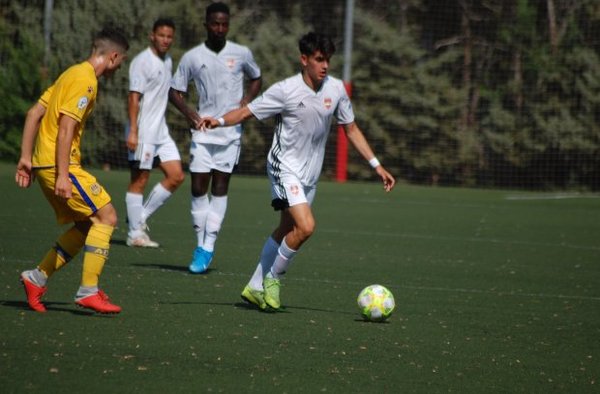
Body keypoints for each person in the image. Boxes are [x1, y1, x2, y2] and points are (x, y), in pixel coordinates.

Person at [199, 32, 396, 311]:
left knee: (287, 228)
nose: (324, 65)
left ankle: (254, 287)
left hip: (310, 175)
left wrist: (377, 166)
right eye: (318, 59)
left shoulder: (336, 90)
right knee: (306, 226)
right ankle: (274, 278)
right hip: (283, 167)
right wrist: (217, 121)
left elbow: (350, 128)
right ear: (304, 60)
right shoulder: (285, 90)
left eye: (327, 60)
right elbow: (246, 112)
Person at [15, 27, 129, 314]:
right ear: (113, 56)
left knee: (86, 224)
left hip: (45, 162)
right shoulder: (86, 80)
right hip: (59, 165)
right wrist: (64, 175)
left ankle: (36, 277)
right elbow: (66, 128)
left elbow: (33, 114)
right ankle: (88, 291)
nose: (119, 68)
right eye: (121, 62)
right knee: (107, 216)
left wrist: (26, 158)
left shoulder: (70, 73)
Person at [169, 2, 262, 273]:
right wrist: (190, 114)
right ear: (206, 25)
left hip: (230, 133)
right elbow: (174, 91)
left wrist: (246, 101)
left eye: (224, 24)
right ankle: (201, 246)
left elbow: (256, 77)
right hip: (202, 132)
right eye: (215, 24)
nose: (220, 28)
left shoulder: (241, 53)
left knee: (220, 188)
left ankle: (207, 247)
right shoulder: (192, 57)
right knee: (198, 188)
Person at [125, 18, 184, 248]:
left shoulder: (168, 60)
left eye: (169, 36)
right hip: (143, 132)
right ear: (152, 35)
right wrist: (133, 131)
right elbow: (133, 97)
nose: (165, 40)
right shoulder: (142, 62)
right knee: (140, 180)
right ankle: (134, 234)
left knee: (176, 175)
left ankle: (139, 219)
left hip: (161, 131)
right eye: (161, 35)